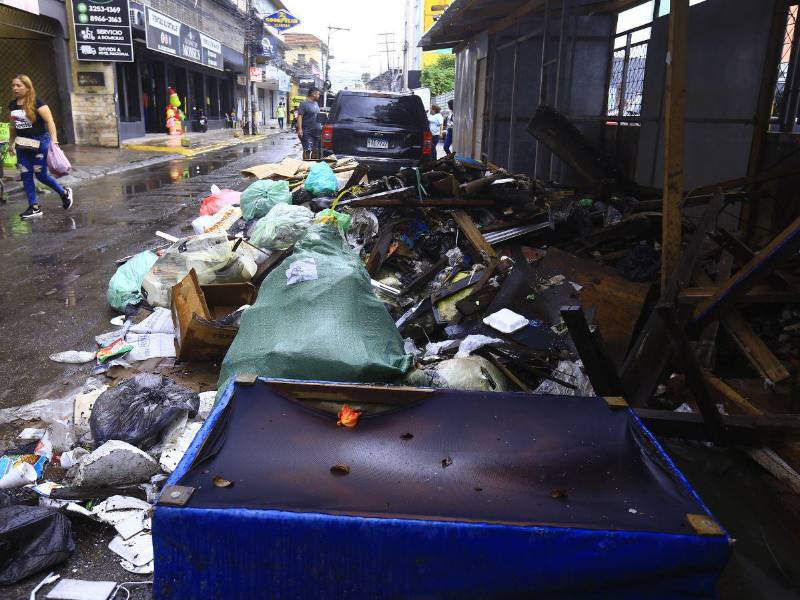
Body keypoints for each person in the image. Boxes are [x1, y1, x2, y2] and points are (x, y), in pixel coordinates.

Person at [8, 74, 73, 219]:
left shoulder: (38, 102)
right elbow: (13, 126)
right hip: (22, 144)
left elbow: (50, 121)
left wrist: (54, 141)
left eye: (19, 85)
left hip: (40, 143)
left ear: (27, 87)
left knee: (40, 174)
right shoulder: (12, 105)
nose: (15, 88)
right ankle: (34, 207)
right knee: (25, 174)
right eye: (13, 85)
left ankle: (64, 192)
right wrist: (11, 143)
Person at [297, 88, 322, 160]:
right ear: (313, 94)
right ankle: (305, 166)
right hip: (307, 132)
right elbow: (299, 116)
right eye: (318, 94)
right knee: (307, 150)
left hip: (317, 132)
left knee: (316, 150)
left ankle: (312, 166)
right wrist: (300, 129)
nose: (319, 95)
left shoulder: (316, 103)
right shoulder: (304, 104)